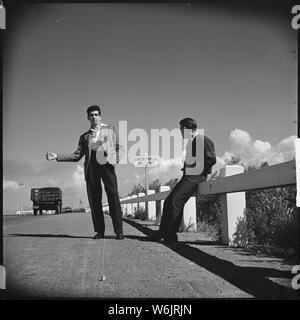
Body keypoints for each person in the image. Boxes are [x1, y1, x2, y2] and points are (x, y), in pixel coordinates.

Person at [46, 105, 125, 240]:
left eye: (96, 114)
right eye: (91, 115)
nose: (94, 117)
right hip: (91, 168)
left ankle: (119, 231)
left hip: (107, 165)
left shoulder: (110, 130)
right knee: (94, 201)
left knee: (113, 197)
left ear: (100, 116)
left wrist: (114, 161)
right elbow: (76, 155)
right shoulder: (85, 136)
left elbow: (120, 147)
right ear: (88, 118)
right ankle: (100, 231)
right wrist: (57, 156)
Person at [148, 117, 216, 243]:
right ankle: (162, 233)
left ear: (187, 129)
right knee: (169, 201)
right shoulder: (192, 141)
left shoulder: (202, 139)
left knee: (175, 201)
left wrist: (196, 170)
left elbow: (211, 159)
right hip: (189, 176)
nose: (179, 131)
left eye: (181, 128)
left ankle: (170, 236)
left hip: (196, 177)